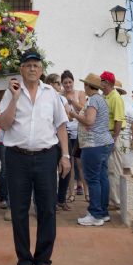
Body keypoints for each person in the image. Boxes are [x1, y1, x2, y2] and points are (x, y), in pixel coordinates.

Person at [0, 50, 70, 265]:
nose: (31, 68)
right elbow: (4, 124)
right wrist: (15, 98)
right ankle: (25, 263)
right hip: (17, 157)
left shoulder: (52, 94)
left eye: (35, 65)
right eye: (27, 65)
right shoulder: (10, 94)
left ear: (41, 69)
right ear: (21, 69)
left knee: (47, 209)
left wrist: (66, 156)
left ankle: (43, 262)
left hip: (46, 157)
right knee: (19, 211)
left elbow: (60, 126)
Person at [68, 74, 114, 226]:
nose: (84, 88)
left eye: (85, 85)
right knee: (102, 177)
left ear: (88, 86)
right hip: (104, 143)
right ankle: (103, 212)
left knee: (93, 179)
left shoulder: (93, 100)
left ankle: (95, 214)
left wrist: (74, 115)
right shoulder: (101, 99)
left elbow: (89, 121)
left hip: (94, 144)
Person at [60, 70, 88, 204]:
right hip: (66, 132)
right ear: (62, 84)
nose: (68, 85)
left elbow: (84, 109)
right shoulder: (60, 96)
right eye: (65, 82)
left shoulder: (80, 93)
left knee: (81, 164)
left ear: (73, 82)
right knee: (69, 164)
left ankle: (86, 193)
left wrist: (73, 102)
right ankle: (71, 194)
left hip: (80, 132)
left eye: (70, 82)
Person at [99, 71, 126, 210]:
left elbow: (118, 120)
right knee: (108, 169)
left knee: (114, 169)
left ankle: (116, 202)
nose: (100, 83)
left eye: (102, 80)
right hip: (106, 136)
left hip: (113, 136)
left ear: (108, 82)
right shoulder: (106, 96)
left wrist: (114, 139)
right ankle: (111, 199)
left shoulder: (115, 97)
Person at [115, 81, 133, 176]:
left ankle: (126, 188)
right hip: (110, 137)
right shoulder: (107, 102)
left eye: (116, 91)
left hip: (124, 138)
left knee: (126, 166)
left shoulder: (128, 106)